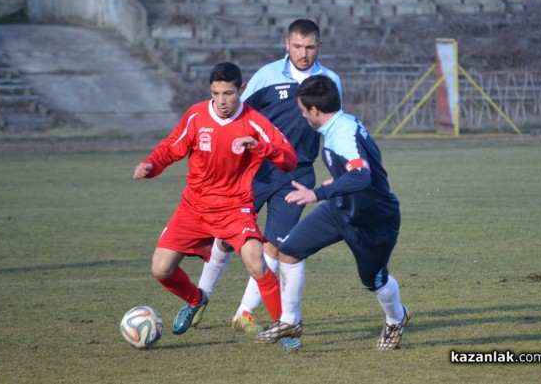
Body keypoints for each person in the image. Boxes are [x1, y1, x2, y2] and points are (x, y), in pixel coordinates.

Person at [193, 19, 343, 334]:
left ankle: (243, 313)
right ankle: (198, 299)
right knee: (226, 237)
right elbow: (236, 115)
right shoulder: (267, 75)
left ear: (319, 46)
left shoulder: (330, 81)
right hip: (256, 169)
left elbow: (332, 128)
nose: (304, 53)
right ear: (287, 44)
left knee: (275, 246)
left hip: (297, 173)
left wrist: (339, 172)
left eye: (310, 47)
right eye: (298, 46)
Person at [133, 62, 297, 337]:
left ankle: (284, 328)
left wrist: (263, 147)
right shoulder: (196, 116)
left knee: (257, 262)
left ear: (241, 90)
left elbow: (290, 159)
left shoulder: (254, 121)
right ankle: (196, 299)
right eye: (216, 93)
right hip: (194, 207)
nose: (222, 101)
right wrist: (151, 166)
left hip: (235, 207)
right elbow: (170, 149)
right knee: (161, 269)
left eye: (229, 93)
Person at [254, 75, 409, 351]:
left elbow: (361, 175)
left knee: (374, 281)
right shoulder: (343, 123)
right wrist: (334, 183)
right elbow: (357, 169)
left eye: (303, 110)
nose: (302, 115)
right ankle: (290, 320)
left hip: (373, 220)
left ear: (315, 111)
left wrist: (317, 193)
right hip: (340, 209)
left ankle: (396, 319)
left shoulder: (341, 135)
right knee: (289, 249)